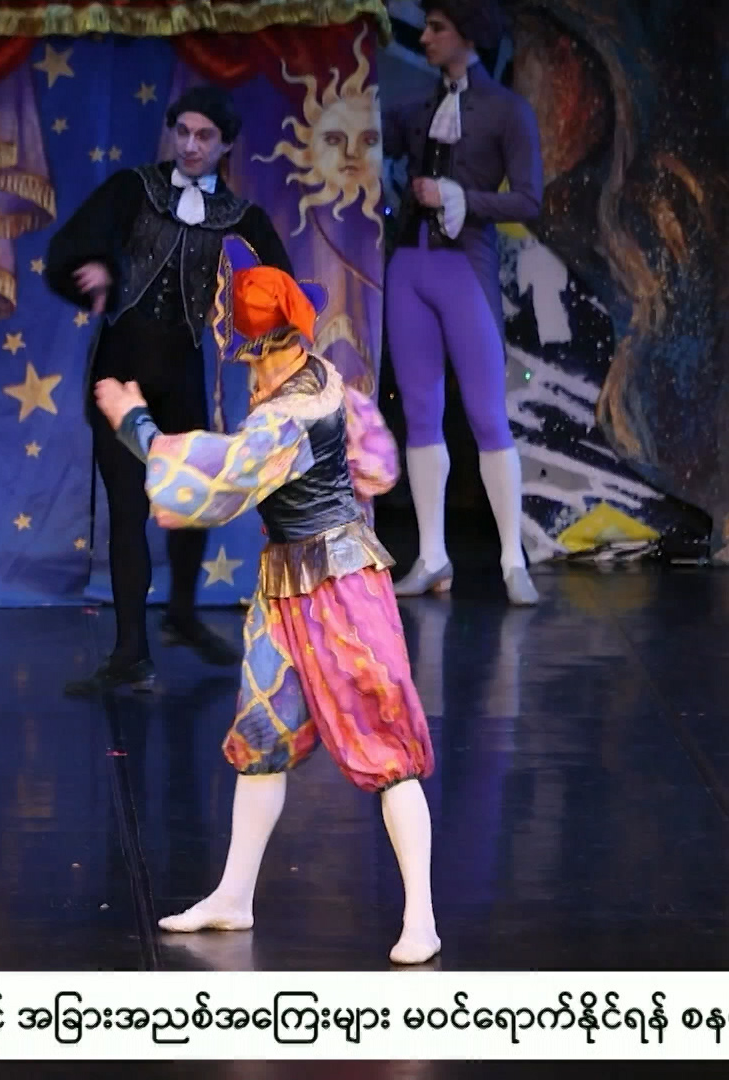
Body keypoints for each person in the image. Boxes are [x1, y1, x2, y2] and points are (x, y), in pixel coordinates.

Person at [92, 256, 440, 965]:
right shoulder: (324, 382)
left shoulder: (289, 417)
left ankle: (422, 919)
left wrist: (136, 423)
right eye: (249, 360)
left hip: (339, 590)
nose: (250, 373)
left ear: (280, 347)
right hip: (286, 587)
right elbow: (375, 462)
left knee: (384, 744)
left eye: (257, 357)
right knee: (261, 736)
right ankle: (233, 896)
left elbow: (217, 477)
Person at [46, 85, 293, 695]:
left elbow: (281, 294)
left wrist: (250, 316)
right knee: (128, 511)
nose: (190, 144)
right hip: (119, 375)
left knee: (190, 502)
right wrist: (95, 269)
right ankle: (131, 651)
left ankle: (182, 611)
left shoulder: (241, 217)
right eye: (182, 131)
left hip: (181, 377)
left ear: (226, 144)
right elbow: (71, 246)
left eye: (204, 135)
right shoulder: (134, 189)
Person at [381, 0, 543, 605]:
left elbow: (528, 200)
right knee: (420, 413)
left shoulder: (507, 110)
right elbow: (365, 135)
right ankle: (432, 556)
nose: (425, 37)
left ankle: (511, 560)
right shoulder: (416, 108)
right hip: (409, 267)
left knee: (486, 415)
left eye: (437, 28)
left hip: (465, 268)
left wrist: (463, 197)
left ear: (468, 36)